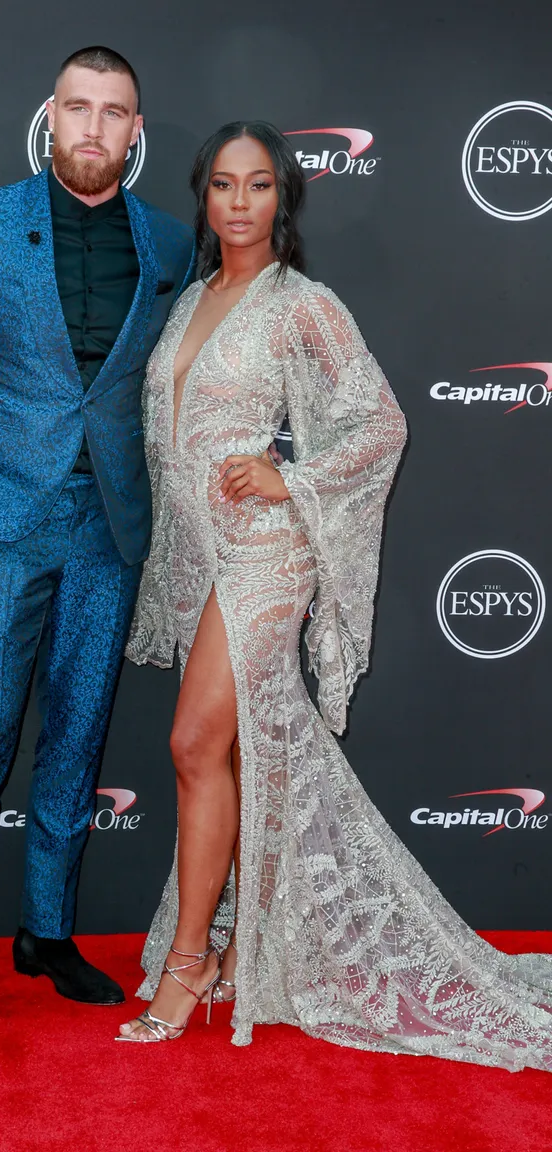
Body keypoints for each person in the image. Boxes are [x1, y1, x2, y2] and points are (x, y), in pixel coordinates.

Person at [118, 121, 552, 1071]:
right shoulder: (191, 297)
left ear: (285, 199)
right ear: (204, 197)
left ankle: (189, 966)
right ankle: (236, 950)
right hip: (198, 555)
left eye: (259, 184)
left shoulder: (301, 304)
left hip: (268, 554)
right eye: (224, 185)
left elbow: (382, 419)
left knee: (194, 741)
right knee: (228, 753)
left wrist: (292, 479)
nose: (239, 202)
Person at [0, 46, 194, 1054]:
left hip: (107, 530)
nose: (95, 129)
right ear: (50, 116)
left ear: (135, 133)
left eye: (115, 113)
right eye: (79, 108)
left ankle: (48, 934)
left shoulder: (165, 245)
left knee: (75, 736)